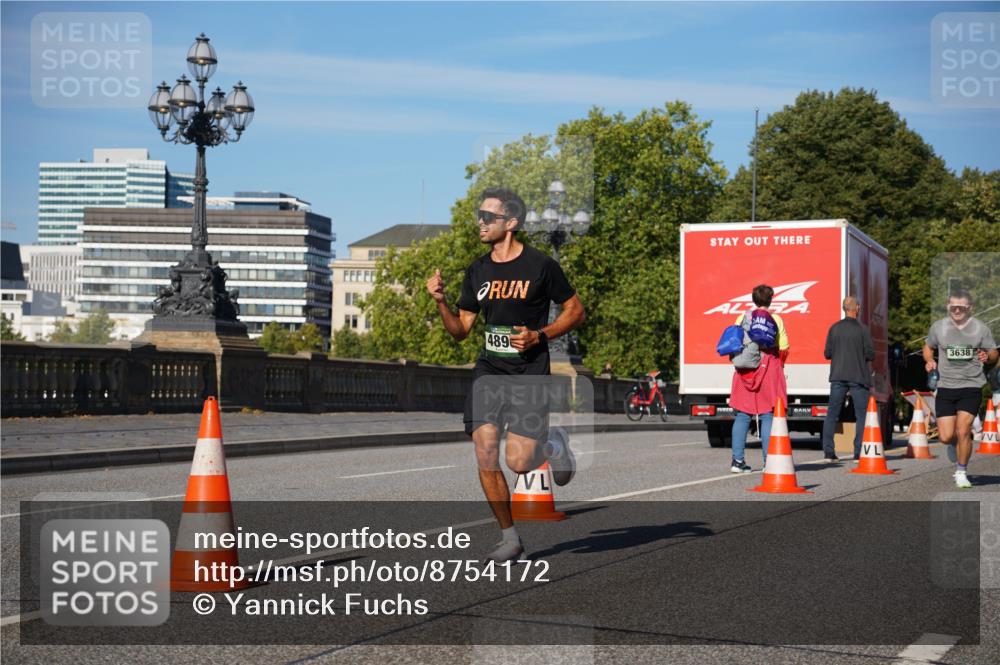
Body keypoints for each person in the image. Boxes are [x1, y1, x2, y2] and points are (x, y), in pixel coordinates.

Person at [425, 187, 586, 561]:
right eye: (479, 216)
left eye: (488, 217)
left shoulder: (541, 265)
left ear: (510, 223)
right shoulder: (477, 270)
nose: (480, 223)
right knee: (484, 452)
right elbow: (461, 330)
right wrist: (441, 303)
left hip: (529, 372)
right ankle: (510, 537)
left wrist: (540, 335)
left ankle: (552, 443)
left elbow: (575, 311)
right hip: (489, 371)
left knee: (517, 462)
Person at [923, 288, 998, 488]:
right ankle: (954, 445)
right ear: (948, 306)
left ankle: (961, 470)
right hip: (946, 387)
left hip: (971, 385)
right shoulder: (938, 327)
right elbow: (928, 346)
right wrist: (930, 360)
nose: (957, 310)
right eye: (953, 306)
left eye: (961, 307)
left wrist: (987, 356)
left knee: (964, 430)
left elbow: (993, 353)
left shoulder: (981, 329)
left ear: (969, 308)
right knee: (947, 436)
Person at [728, 284, 789, 472]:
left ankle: (737, 462)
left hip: (745, 369)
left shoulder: (742, 317)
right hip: (768, 368)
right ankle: (768, 462)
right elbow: (784, 347)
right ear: (770, 300)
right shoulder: (776, 319)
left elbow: (735, 342)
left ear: (754, 299)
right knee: (768, 414)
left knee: (742, 414)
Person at [820, 296, 875, 462]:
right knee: (861, 416)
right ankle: (858, 452)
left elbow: (827, 353)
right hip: (858, 377)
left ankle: (829, 452)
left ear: (844, 308)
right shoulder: (863, 330)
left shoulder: (834, 328)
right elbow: (870, 354)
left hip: (837, 376)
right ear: (856, 308)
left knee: (832, 414)